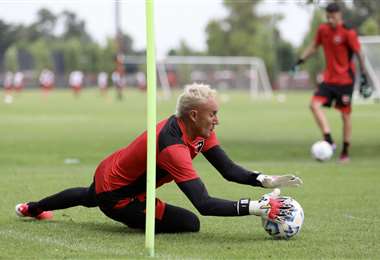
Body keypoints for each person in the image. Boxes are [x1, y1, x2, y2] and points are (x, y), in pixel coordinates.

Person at [15, 83, 302, 233]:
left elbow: (227, 169)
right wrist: (255, 208)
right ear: (194, 114)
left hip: (110, 173)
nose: (217, 120)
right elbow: (203, 204)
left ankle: (32, 208)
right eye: (212, 113)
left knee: (88, 195)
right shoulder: (172, 147)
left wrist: (262, 180)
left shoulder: (198, 130)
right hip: (120, 197)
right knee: (190, 224)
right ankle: (37, 208)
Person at [293, 2, 368, 163]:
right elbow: (314, 46)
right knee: (314, 105)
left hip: (345, 80)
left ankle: (345, 151)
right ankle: (329, 139)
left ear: (339, 15)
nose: (330, 20)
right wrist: (300, 60)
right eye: (327, 16)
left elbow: (359, 54)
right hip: (328, 79)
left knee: (345, 115)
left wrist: (364, 77)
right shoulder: (323, 30)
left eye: (332, 17)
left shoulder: (348, 32)